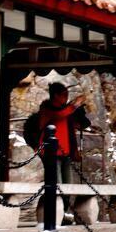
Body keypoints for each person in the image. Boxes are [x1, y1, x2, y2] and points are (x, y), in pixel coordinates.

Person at [29, 82, 91, 220]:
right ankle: (54, 215)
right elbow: (59, 115)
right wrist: (74, 105)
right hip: (51, 153)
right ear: (55, 95)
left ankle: (63, 213)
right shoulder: (47, 109)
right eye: (64, 95)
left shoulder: (67, 110)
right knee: (56, 183)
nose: (66, 97)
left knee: (67, 184)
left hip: (66, 153)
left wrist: (80, 110)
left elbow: (82, 124)